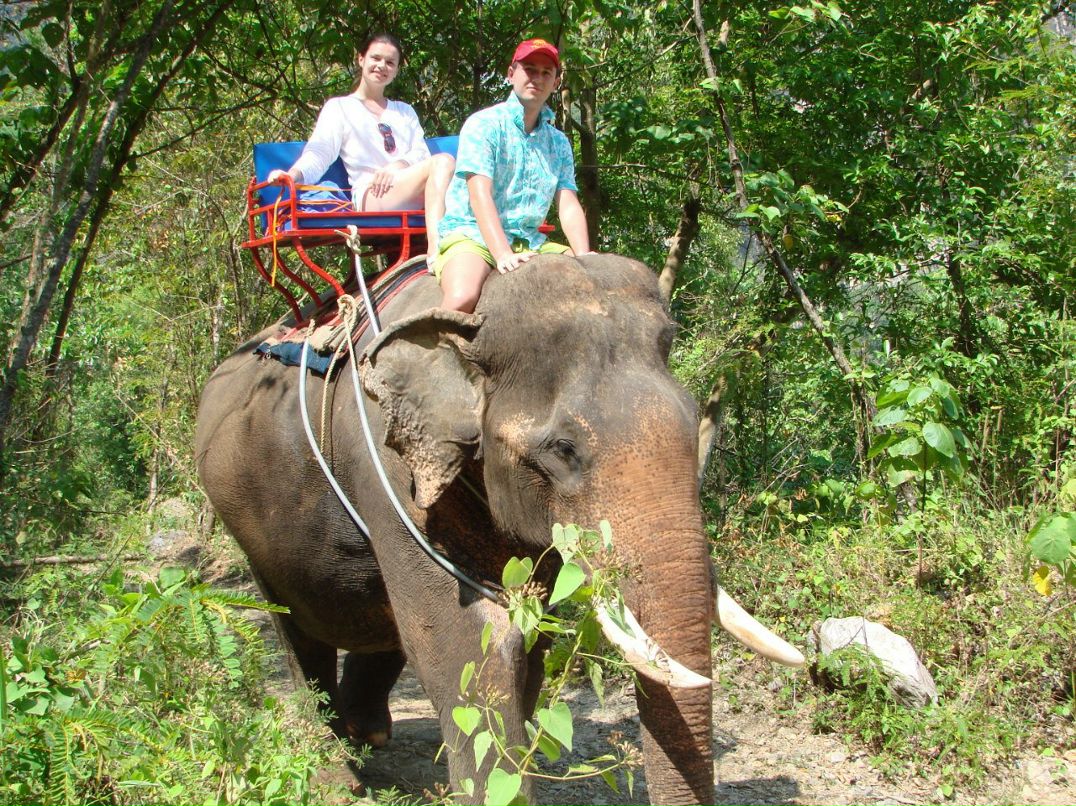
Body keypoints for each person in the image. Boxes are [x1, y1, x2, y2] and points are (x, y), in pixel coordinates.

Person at [434, 38, 593, 313]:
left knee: (593, 290)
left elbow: (567, 204)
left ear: (556, 83)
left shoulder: (559, 142)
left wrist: (584, 256)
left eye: (546, 73)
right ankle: (431, 355)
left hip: (529, 241)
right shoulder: (484, 124)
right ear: (511, 74)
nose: (537, 78)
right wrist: (502, 254)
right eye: (529, 69)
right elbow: (478, 193)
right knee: (463, 296)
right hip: (473, 236)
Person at [268, 32, 453, 261]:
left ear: (396, 70)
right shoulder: (340, 107)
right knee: (443, 161)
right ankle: (436, 250)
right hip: (373, 192)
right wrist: (292, 175)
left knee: (453, 168)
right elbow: (320, 152)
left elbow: (420, 153)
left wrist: (398, 165)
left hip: (411, 185)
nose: (382, 66)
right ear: (361, 59)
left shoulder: (404, 111)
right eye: (376, 58)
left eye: (390, 62)